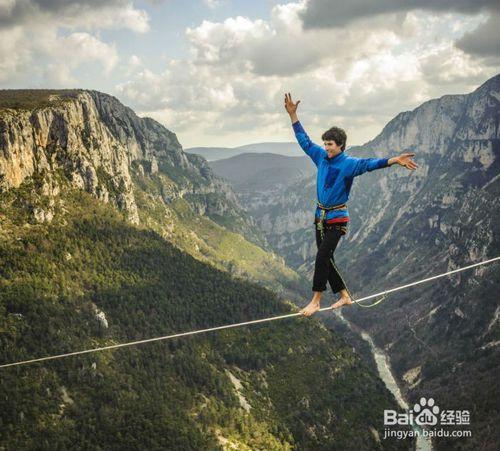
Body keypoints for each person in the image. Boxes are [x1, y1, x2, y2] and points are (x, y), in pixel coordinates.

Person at [284, 92, 418, 316]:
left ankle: (316, 300)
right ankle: (344, 296)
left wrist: (395, 160)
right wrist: (293, 115)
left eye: (330, 145)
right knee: (327, 257)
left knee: (322, 256)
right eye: (325, 144)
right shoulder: (320, 156)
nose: (326, 148)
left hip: (337, 218)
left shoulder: (349, 164)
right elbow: (305, 142)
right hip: (320, 217)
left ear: (341, 146)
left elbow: (370, 164)